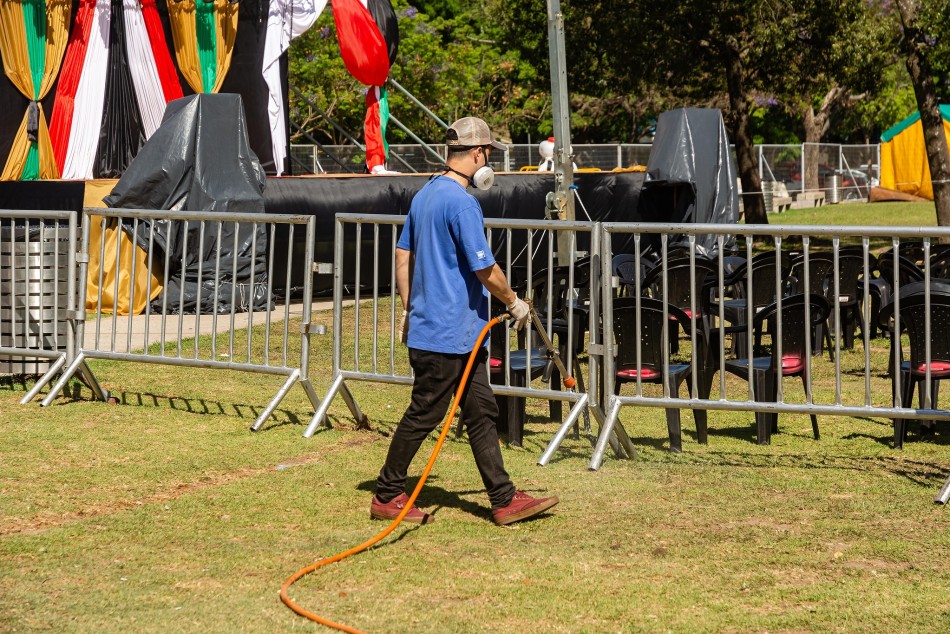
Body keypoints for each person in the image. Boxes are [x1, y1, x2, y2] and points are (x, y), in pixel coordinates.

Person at [370, 117, 560, 526]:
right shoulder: (461, 203)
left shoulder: (425, 195)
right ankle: (387, 494)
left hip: (452, 332)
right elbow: (485, 269)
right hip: (448, 334)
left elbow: (402, 255)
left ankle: (503, 499)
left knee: (481, 412)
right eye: (489, 153)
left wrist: (409, 310)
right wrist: (513, 301)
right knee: (425, 413)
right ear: (478, 154)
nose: (489, 161)